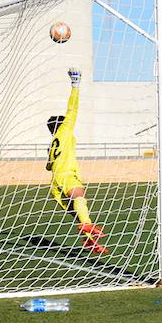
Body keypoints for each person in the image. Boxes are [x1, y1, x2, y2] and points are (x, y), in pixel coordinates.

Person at [46, 68, 106, 254]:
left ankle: (88, 240)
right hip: (67, 177)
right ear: (62, 124)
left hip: (55, 183)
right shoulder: (65, 130)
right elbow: (73, 109)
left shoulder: (53, 142)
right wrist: (75, 85)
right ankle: (87, 228)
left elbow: (49, 166)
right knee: (80, 198)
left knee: (78, 212)